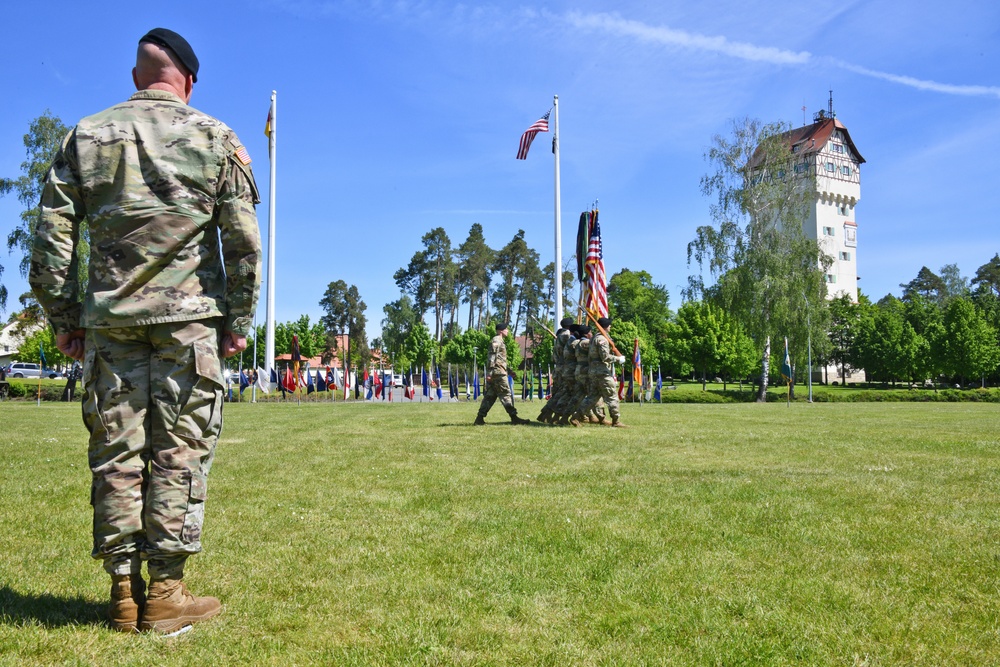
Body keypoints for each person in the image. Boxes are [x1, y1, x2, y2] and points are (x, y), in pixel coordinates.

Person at [30, 28, 262, 634]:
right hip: (189, 325)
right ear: (188, 79)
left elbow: (51, 238)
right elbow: (242, 242)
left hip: (111, 325)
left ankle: (122, 596)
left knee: (116, 454)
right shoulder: (216, 138)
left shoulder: (86, 137)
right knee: (179, 452)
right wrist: (238, 321)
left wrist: (63, 321)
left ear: (138, 76)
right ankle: (165, 593)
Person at [474, 322, 531, 425]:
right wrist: (490, 373)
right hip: (498, 374)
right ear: (501, 331)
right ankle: (514, 418)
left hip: (498, 372)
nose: (508, 331)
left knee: (490, 396)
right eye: (506, 329)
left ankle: (479, 418)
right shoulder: (496, 340)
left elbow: (500, 359)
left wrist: (509, 371)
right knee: (506, 394)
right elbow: (492, 357)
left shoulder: (500, 341)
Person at [579, 318, 627, 427]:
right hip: (602, 372)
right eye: (609, 325)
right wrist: (618, 359)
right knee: (612, 396)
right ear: (606, 326)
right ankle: (616, 421)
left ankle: (577, 416)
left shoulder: (594, 338)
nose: (610, 327)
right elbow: (605, 357)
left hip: (593, 371)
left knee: (593, 397)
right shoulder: (602, 339)